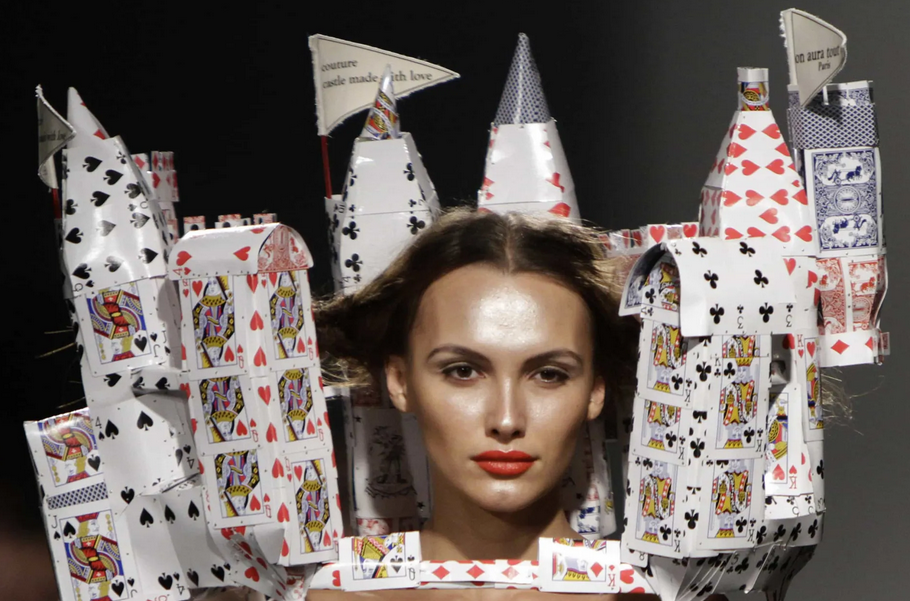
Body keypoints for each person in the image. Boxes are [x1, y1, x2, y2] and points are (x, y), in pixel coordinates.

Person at [310, 208, 679, 599]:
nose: (506, 420)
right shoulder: (324, 595)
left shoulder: (657, 594)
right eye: (463, 371)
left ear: (595, 392)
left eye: (549, 374)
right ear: (400, 382)